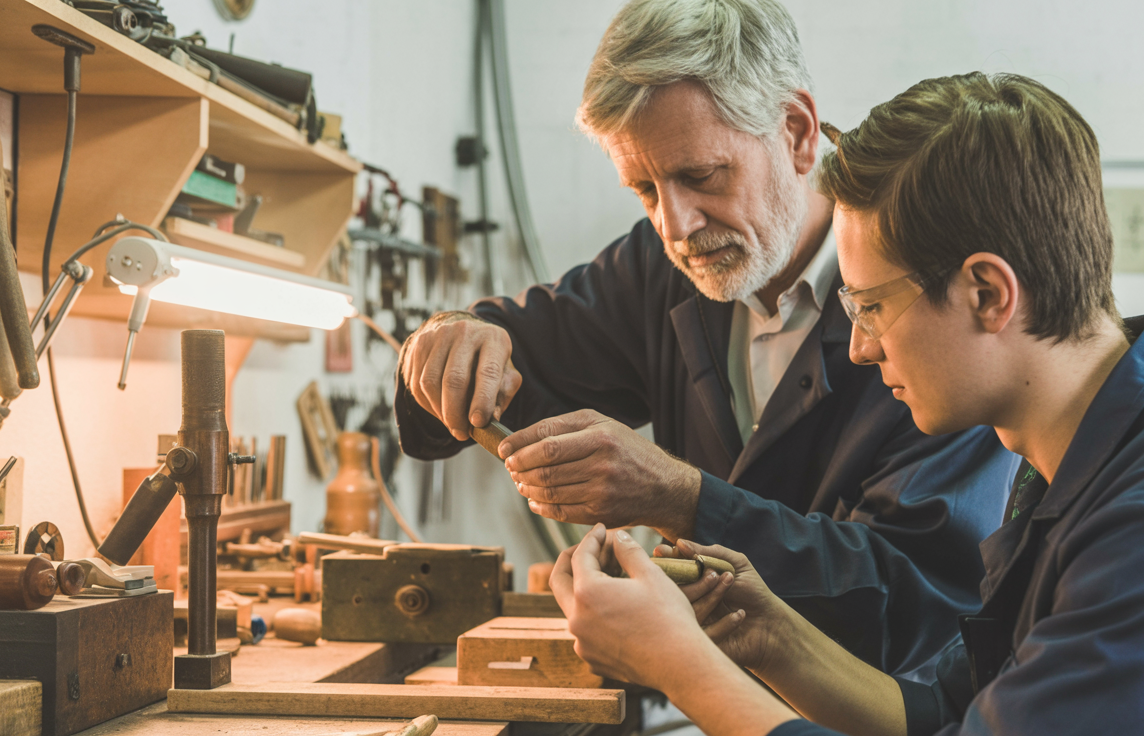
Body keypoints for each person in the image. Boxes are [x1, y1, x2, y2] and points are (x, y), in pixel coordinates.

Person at [549, 72, 1144, 735]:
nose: (859, 348)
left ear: (987, 293)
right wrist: (766, 632)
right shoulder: (1075, 460)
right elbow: (943, 714)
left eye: (871, 308)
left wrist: (680, 665)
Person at [395, 0, 1017, 678]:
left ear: (797, 132)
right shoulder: (658, 269)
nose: (675, 226)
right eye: (643, 189)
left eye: (701, 177)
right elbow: (514, 351)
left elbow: (918, 602)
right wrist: (449, 338)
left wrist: (681, 498)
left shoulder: (929, 302)